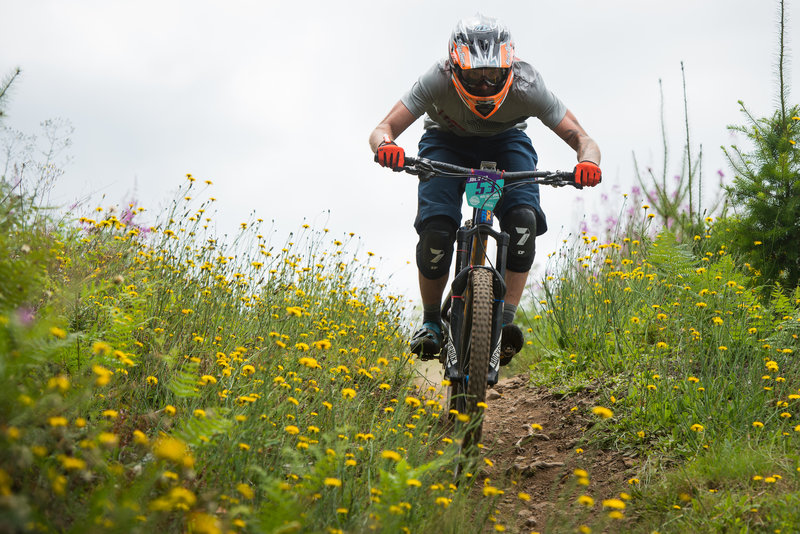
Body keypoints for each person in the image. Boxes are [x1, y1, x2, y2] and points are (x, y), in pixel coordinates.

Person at [369, 14, 601, 366]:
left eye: (492, 73)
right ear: (454, 67)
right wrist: (386, 145)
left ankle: (503, 324)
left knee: (522, 221)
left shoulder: (528, 83)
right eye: (473, 74)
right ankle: (431, 321)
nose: (482, 83)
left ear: (508, 67)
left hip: (506, 144)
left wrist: (588, 163)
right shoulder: (437, 78)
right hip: (445, 143)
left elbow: (582, 138)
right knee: (436, 229)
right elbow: (383, 128)